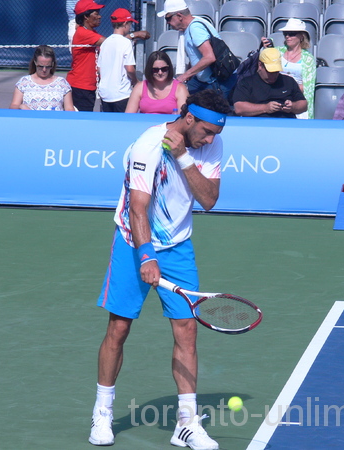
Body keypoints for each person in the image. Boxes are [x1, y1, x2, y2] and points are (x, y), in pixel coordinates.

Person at [89, 89, 230, 449]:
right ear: (188, 118)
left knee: (186, 330)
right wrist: (147, 255)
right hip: (134, 241)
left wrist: (183, 155)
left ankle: (186, 423)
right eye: (207, 130)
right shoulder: (149, 144)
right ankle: (102, 413)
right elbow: (138, 207)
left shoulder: (208, 146)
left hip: (178, 246)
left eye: (216, 133)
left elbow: (209, 200)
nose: (211, 138)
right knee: (119, 327)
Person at [157, 0, 237, 100]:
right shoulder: (192, 26)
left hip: (217, 82)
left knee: (207, 112)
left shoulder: (195, 28)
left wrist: (185, 75)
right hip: (204, 80)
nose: (168, 22)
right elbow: (196, 55)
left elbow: (209, 57)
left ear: (179, 16)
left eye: (168, 18)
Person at [97, 8, 149, 112]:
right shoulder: (126, 43)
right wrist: (135, 82)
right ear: (125, 23)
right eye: (130, 24)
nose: (130, 27)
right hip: (121, 93)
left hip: (105, 93)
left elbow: (99, 69)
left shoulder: (105, 42)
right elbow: (129, 69)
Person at [232, 47, 306, 118]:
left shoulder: (288, 81)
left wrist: (292, 106)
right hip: (258, 124)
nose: (273, 75)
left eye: (276, 71)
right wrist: (265, 108)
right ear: (260, 65)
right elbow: (239, 108)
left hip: (285, 123)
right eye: (270, 72)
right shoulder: (246, 82)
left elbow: (303, 104)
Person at [266, 19, 316, 119]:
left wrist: (287, 88)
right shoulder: (277, 51)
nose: (287, 36)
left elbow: (308, 87)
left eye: (292, 33)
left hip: (297, 100)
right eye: (285, 33)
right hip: (275, 97)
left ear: (301, 36)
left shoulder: (308, 59)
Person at [67, 0, 106, 112]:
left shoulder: (92, 32)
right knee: (80, 120)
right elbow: (111, 43)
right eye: (96, 13)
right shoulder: (83, 33)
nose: (99, 16)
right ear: (86, 17)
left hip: (87, 86)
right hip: (81, 86)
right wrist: (132, 35)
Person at [9, 45, 75, 111]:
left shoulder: (62, 83)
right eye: (40, 66)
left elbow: (69, 109)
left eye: (48, 66)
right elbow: (13, 106)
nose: (44, 69)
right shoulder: (24, 82)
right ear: (35, 62)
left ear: (52, 64)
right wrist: (20, 106)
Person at [125, 50, 189, 114]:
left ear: (169, 68)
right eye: (155, 70)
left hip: (170, 123)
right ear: (150, 70)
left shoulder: (180, 88)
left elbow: (183, 117)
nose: (160, 73)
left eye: (164, 69)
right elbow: (129, 115)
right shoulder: (140, 87)